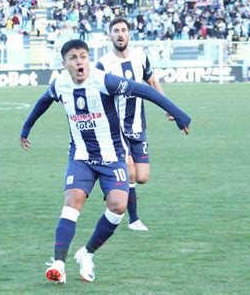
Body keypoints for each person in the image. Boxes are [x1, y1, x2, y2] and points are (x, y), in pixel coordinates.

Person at [19, 39, 190, 284]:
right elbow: (43, 101)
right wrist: (26, 129)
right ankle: (58, 263)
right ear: (64, 63)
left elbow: (145, 90)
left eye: (83, 56)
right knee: (72, 202)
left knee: (118, 206)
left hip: (112, 157)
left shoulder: (103, 80)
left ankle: (86, 253)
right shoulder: (60, 84)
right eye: (73, 58)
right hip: (81, 157)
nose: (79, 61)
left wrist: (180, 115)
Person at [96, 17, 172, 231]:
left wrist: (167, 106)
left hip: (138, 126)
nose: (120, 34)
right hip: (116, 129)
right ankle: (133, 219)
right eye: (116, 30)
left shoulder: (140, 57)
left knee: (142, 177)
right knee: (129, 172)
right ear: (110, 35)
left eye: (123, 30)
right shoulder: (103, 64)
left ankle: (112, 185)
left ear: (129, 34)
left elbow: (153, 82)